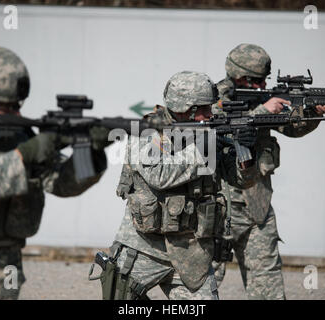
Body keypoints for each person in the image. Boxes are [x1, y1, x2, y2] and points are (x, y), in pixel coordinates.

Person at [0, 45, 108, 299]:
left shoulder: (17, 135)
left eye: (17, 105)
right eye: (7, 106)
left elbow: (60, 184)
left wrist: (90, 153)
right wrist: (24, 156)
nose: (17, 113)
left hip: (5, 270)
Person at [107, 70, 259, 300]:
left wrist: (245, 152)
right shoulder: (147, 130)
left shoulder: (207, 134)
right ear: (188, 108)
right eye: (205, 109)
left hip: (192, 252)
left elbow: (241, 181)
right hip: (143, 248)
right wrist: (203, 148)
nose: (210, 114)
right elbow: (159, 175)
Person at [212, 43, 325, 300]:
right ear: (238, 75)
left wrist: (312, 113)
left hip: (257, 206)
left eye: (263, 80)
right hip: (217, 209)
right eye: (255, 81)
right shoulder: (214, 98)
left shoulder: (262, 97)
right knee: (202, 285)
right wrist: (261, 111)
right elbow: (216, 131)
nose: (261, 87)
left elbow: (292, 128)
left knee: (268, 287)